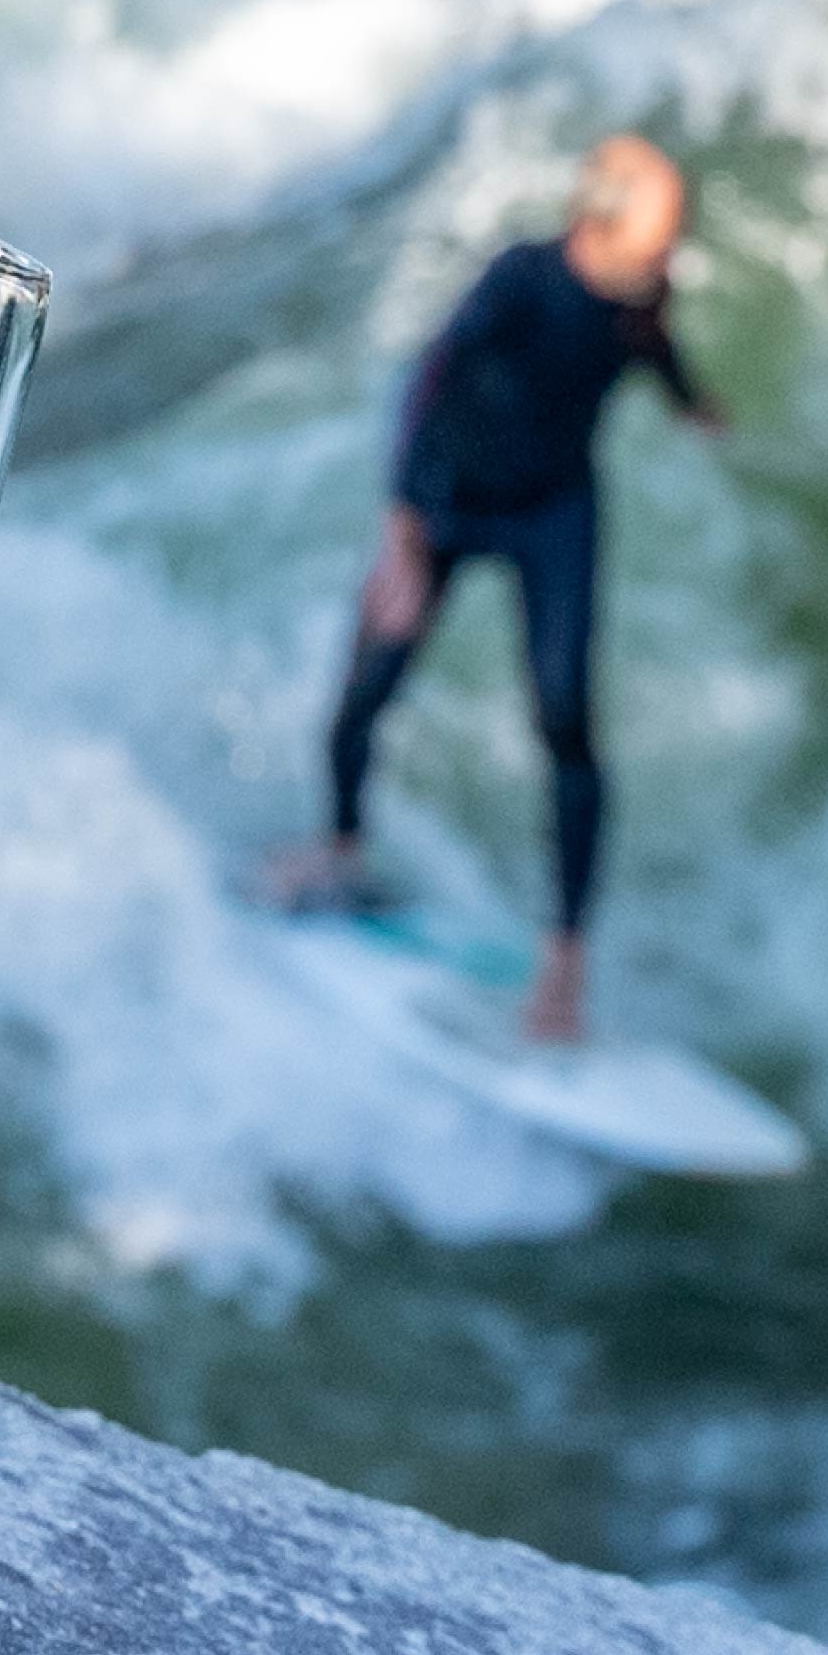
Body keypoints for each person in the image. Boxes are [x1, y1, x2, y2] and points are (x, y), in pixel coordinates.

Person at [267, 137, 723, 1046]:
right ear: (596, 224)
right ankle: (340, 848)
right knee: (367, 686)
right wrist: (401, 534)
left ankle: (564, 961)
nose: (668, 259)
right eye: (655, 240)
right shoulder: (521, 279)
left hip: (554, 511)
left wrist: (690, 404)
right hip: (445, 501)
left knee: (565, 718)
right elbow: (427, 384)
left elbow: (652, 344)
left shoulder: (644, 296)